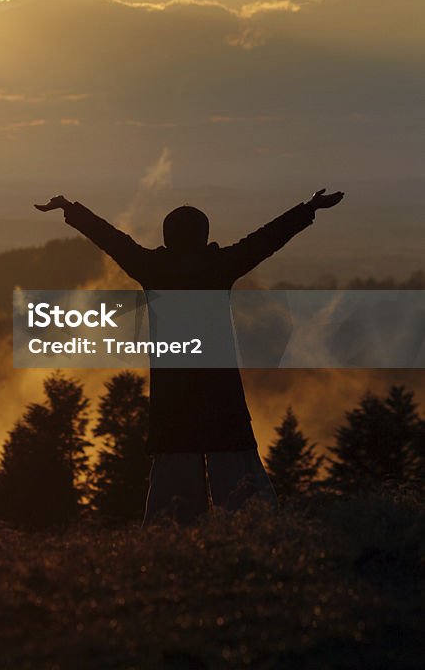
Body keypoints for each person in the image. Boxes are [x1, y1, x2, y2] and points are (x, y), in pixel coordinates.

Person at [35, 187, 344, 525]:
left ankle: (172, 546)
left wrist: (71, 209)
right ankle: (255, 535)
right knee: (240, 485)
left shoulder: (153, 268)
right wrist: (309, 208)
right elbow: (266, 239)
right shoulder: (219, 266)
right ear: (204, 234)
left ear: (168, 237)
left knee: (174, 499)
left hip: (172, 396)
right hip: (221, 391)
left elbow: (111, 239)